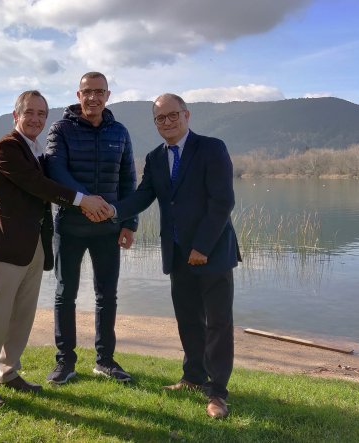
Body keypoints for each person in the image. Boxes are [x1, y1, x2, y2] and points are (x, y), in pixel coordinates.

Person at [102, 93, 240, 418]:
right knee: (189, 320)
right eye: (160, 118)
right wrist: (112, 210)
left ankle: (218, 393)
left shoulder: (211, 148)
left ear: (186, 115)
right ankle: (193, 377)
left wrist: (202, 246)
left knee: (218, 324)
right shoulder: (154, 158)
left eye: (172, 115)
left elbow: (223, 202)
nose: (167, 122)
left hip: (213, 251)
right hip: (177, 254)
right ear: (155, 123)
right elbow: (142, 196)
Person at [0, 90, 111, 407]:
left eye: (41, 114)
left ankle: (9, 373)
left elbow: (55, 178)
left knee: (22, 315)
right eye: (30, 112)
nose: (36, 119)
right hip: (5, 246)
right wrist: (82, 200)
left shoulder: (37, 151)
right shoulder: (8, 147)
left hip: (33, 246)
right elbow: (40, 187)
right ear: (15, 115)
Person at [44, 72, 138, 384]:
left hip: (108, 229)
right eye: (87, 92)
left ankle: (105, 360)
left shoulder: (120, 132)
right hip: (70, 226)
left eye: (99, 92)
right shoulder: (61, 129)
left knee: (106, 295)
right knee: (64, 293)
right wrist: (85, 201)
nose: (93, 98)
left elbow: (128, 180)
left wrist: (129, 223)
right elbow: (55, 171)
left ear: (108, 95)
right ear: (78, 94)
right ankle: (65, 361)